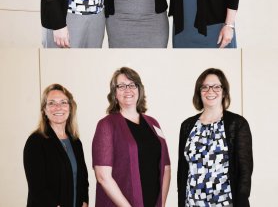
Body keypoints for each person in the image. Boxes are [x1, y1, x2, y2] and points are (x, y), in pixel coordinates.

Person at [92, 67, 171, 206]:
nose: (127, 89)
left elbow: (166, 167)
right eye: (121, 86)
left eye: (132, 85)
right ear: (114, 93)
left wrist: (162, 204)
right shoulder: (107, 125)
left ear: (139, 89)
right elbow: (103, 176)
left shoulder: (153, 123)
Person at [178, 68, 253, 207]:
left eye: (216, 87)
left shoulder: (237, 124)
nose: (210, 91)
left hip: (225, 203)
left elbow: (245, 172)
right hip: (193, 202)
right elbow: (182, 172)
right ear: (199, 92)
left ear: (224, 92)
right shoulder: (187, 126)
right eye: (205, 87)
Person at [23, 84, 89, 207]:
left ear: (70, 108)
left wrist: (84, 202)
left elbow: (83, 179)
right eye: (52, 103)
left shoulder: (75, 142)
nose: (58, 107)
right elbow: (37, 189)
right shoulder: (35, 142)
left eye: (63, 102)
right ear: (44, 110)